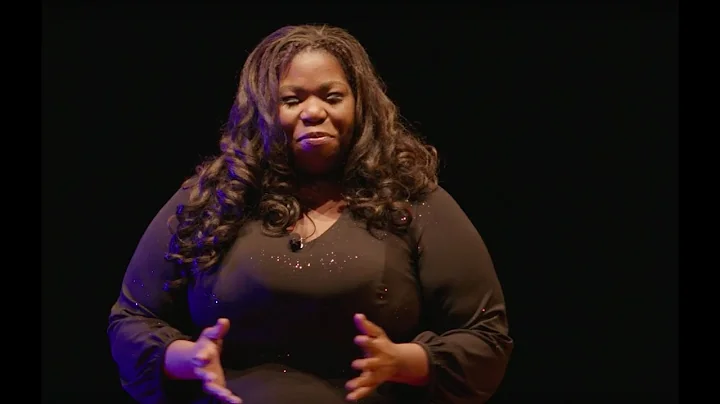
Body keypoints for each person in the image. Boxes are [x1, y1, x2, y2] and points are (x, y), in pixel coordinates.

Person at [107, 24, 513, 404]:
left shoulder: (411, 201)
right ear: (264, 111)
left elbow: (486, 337)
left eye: (332, 96)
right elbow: (132, 319)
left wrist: (402, 362)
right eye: (292, 99)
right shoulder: (212, 199)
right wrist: (187, 358)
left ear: (361, 105)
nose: (313, 111)